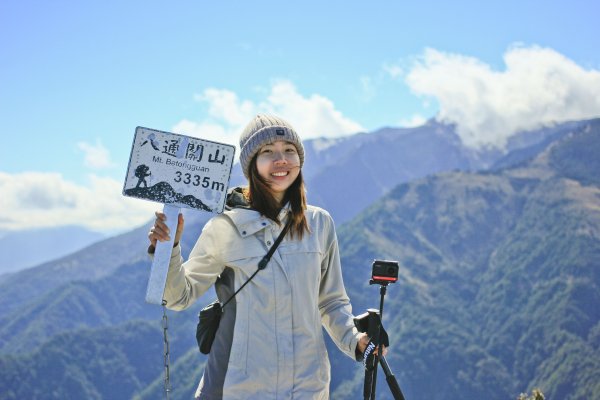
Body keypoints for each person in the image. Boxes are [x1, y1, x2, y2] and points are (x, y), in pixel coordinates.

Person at [148, 114, 380, 399]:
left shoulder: (319, 224)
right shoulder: (225, 227)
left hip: (308, 387)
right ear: (251, 165)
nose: (281, 160)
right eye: (268, 152)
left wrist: (357, 341)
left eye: (289, 150)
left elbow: (331, 302)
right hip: (242, 388)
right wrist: (169, 249)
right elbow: (178, 296)